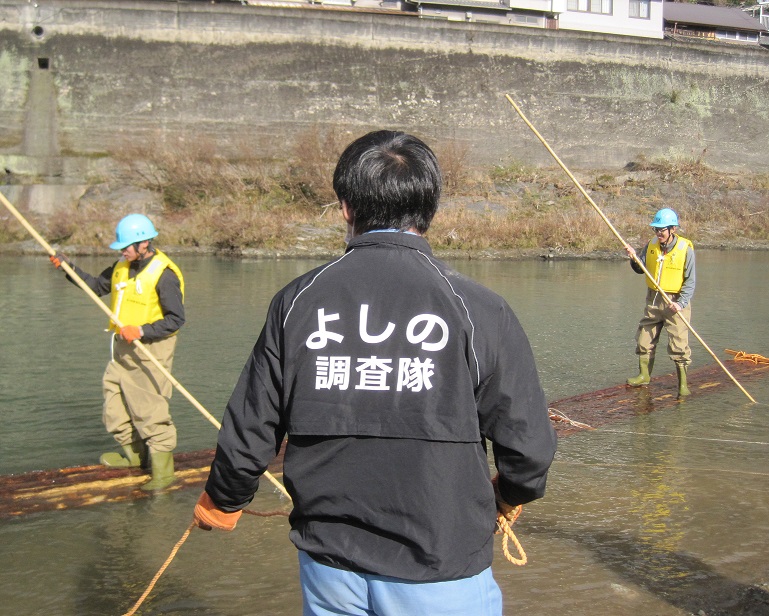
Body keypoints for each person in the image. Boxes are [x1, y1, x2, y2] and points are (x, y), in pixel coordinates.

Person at [193, 130, 557, 615]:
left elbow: (250, 427)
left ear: (346, 207)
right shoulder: (478, 309)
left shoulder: (298, 301)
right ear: (429, 210)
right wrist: (508, 496)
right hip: (440, 567)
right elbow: (529, 449)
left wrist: (223, 502)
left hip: (329, 564)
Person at [50, 213, 185, 491]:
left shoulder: (164, 274)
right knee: (114, 404)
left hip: (151, 349)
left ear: (144, 243)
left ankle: (164, 473)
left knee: (150, 410)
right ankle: (135, 458)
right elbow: (97, 287)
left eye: (127, 246)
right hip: (122, 348)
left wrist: (142, 330)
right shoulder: (122, 266)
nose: (123, 250)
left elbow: (176, 319)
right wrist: (68, 268)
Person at [625, 207, 695, 397]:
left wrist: (680, 303)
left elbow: (690, 281)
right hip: (654, 299)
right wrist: (633, 258)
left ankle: (683, 385)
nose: (658, 233)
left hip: (675, 301)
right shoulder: (651, 245)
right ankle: (644, 375)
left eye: (661, 230)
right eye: (656, 229)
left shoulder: (685, 249)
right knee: (644, 339)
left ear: (672, 229)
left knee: (679, 346)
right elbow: (641, 269)